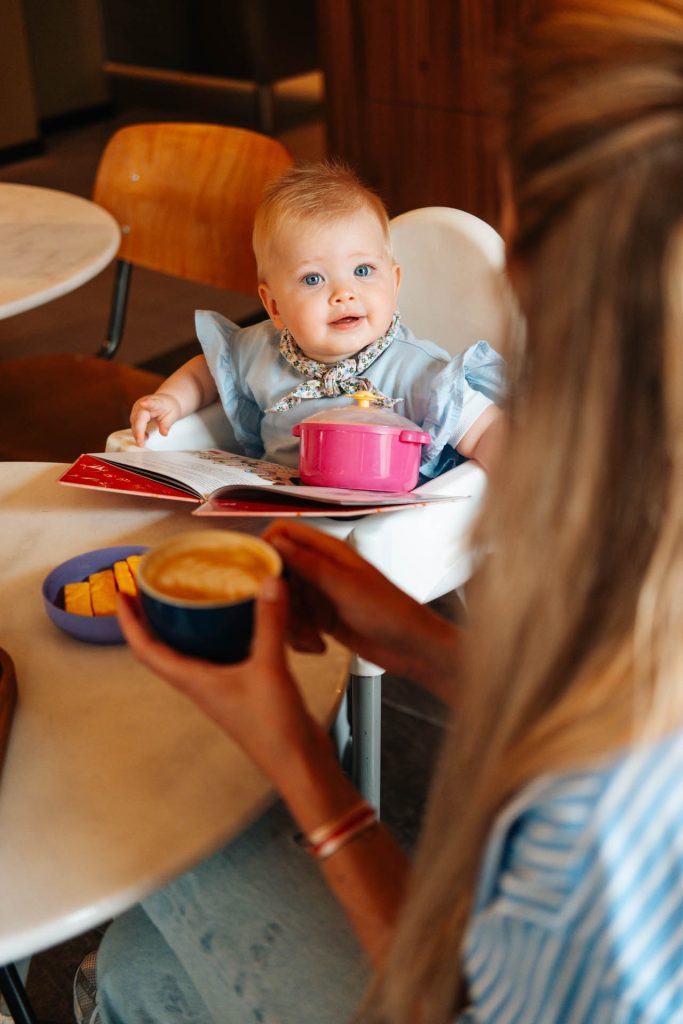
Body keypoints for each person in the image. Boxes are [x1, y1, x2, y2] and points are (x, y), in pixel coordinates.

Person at [84, 1, 683, 1021]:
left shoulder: (589, 826)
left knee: (173, 841)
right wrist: (416, 639)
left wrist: (302, 769)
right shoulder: (638, 562)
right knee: (140, 969)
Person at [128, 161, 505, 478]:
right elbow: (206, 372)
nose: (343, 293)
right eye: (313, 279)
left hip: (375, 522)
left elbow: (486, 430)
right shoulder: (261, 350)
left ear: (394, 282)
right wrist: (170, 401)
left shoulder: (419, 372)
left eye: (362, 270)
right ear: (274, 306)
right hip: (280, 510)